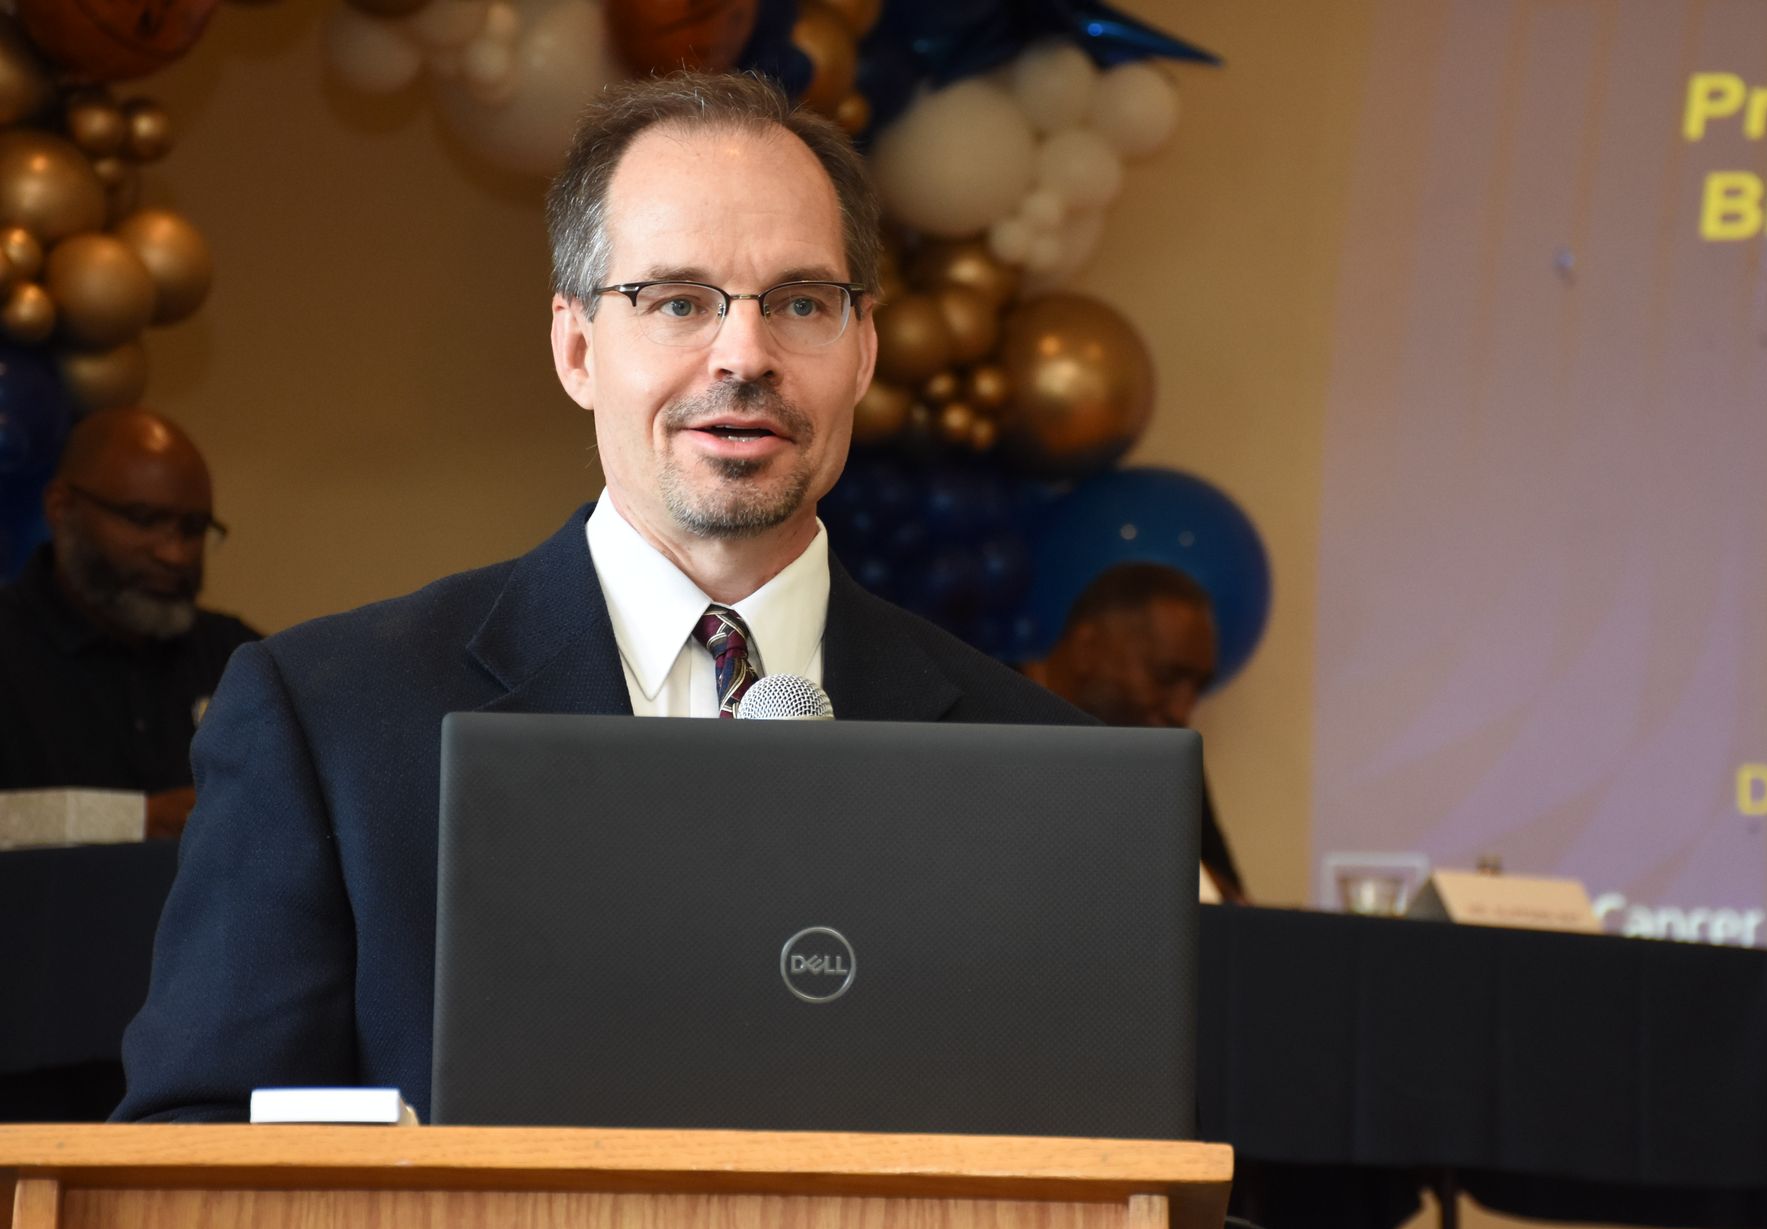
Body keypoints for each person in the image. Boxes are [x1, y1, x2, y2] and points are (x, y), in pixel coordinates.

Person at [114, 71, 1087, 1122]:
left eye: (802, 302)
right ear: (577, 346)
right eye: (677, 301)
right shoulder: (329, 719)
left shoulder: (1040, 760)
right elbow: (195, 1159)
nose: (744, 354)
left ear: (864, 350)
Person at [0, 408, 258, 839]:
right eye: (143, 520)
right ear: (61, 508)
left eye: (193, 528)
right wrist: (135, 821)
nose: (174, 554)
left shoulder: (239, 660)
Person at [1026, 562, 1249, 902]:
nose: (1181, 710)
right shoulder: (974, 711)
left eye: (1198, 687)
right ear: (1088, 649)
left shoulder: (1169, 754)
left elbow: (1232, 903)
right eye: (1165, 676)